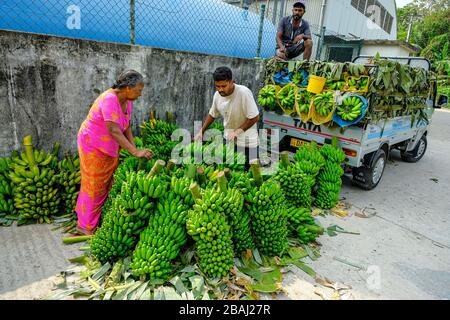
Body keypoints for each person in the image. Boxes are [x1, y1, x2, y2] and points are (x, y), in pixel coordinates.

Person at [75, 70, 153, 235]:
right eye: (139, 90)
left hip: (108, 146)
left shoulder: (127, 100)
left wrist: (135, 148)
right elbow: (114, 130)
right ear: (127, 87)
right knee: (93, 184)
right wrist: (134, 152)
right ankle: (85, 226)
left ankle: (93, 220)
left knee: (105, 184)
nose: (140, 94)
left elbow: (126, 126)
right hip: (93, 144)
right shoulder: (109, 99)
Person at [195, 67, 260, 169]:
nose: (220, 89)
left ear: (232, 82)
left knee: (248, 174)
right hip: (228, 140)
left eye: (224, 86)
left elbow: (255, 117)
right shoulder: (217, 95)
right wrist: (201, 131)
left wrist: (237, 132)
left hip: (247, 143)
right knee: (228, 171)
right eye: (217, 86)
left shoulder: (244, 93)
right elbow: (213, 114)